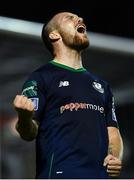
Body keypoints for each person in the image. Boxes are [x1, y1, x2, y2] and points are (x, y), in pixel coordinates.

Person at [13, 12, 123, 179]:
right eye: (69, 18)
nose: (80, 19)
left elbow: (113, 132)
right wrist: (24, 117)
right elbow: (28, 133)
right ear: (54, 34)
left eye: (78, 17)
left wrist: (115, 158)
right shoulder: (41, 77)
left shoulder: (103, 85)